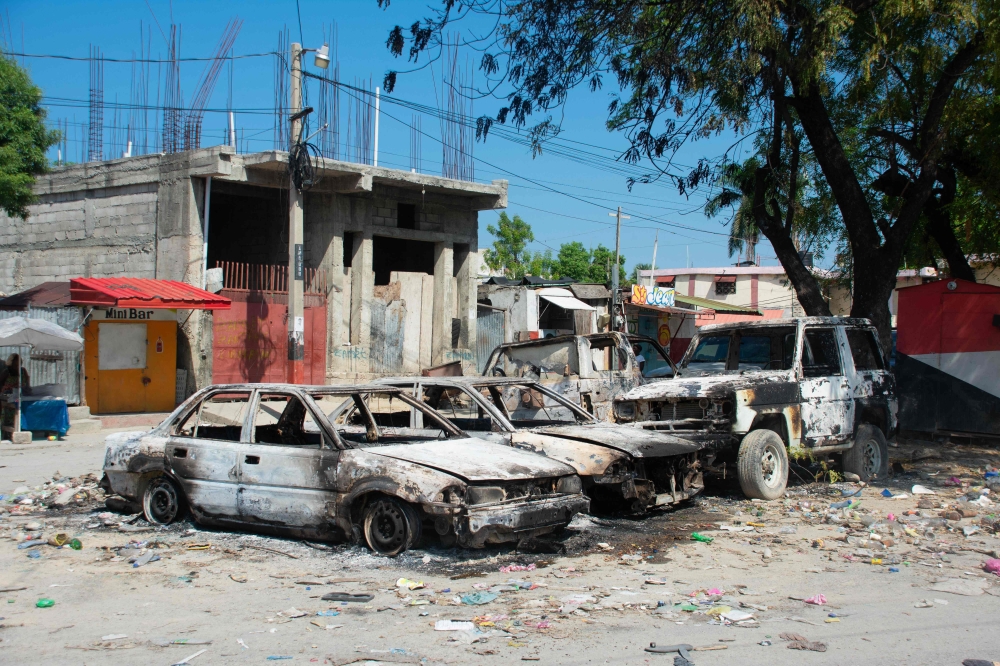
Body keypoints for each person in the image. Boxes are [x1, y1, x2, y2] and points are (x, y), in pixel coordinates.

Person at [1, 354, 29, 432]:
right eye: (15, 364)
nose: (17, 366)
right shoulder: (7, 372)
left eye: (18, 364)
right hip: (8, 395)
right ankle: (7, 428)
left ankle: (23, 426)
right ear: (11, 363)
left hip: (21, 395)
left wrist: (28, 389)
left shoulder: (23, 371)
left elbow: (27, 383)